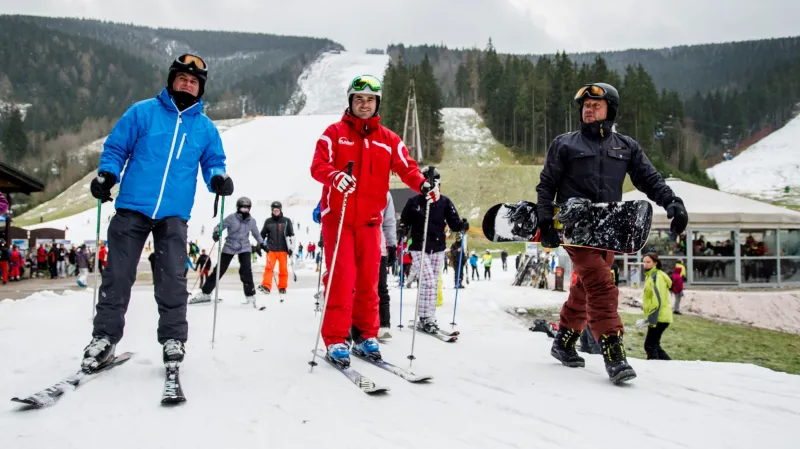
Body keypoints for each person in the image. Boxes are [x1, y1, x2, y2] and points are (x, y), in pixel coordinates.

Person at [81, 53, 234, 374]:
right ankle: (103, 338)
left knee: (172, 279)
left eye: (193, 81)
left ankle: (173, 340)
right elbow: (116, 148)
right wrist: (108, 174)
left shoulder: (205, 128)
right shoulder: (143, 112)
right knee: (118, 275)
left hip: (174, 215)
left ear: (200, 88)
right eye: (182, 78)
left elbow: (213, 161)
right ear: (171, 80)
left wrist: (217, 178)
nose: (187, 84)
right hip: (132, 208)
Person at [536, 82, 688, 384]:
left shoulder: (626, 146)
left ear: (610, 110)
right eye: (585, 106)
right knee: (602, 285)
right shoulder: (565, 144)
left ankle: (564, 342)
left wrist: (672, 201)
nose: (589, 110)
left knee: (586, 286)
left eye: (596, 105)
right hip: (575, 227)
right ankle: (613, 351)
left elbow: (649, 178)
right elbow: (547, 184)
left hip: (609, 227)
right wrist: (544, 222)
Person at [310, 74, 435, 366]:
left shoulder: (388, 140)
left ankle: (366, 335)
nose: (363, 105)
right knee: (342, 279)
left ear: (377, 103)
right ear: (351, 102)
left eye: (369, 100)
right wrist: (335, 176)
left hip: (369, 222)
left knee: (369, 281)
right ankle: (336, 339)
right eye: (358, 99)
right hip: (338, 220)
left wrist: (424, 185)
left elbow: (408, 169)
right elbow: (318, 166)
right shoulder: (334, 133)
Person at [399, 166, 467, 334]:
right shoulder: (414, 202)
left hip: (437, 248)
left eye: (437, 185)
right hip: (419, 247)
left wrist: (462, 225)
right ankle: (424, 317)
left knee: (433, 283)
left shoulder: (444, 202)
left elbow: (454, 223)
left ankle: (429, 316)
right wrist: (402, 229)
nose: (435, 189)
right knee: (428, 281)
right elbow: (404, 221)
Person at [191, 197, 265, 305]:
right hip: (230, 245)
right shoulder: (231, 218)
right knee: (219, 270)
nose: (245, 211)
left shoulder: (252, 221)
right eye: (242, 208)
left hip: (244, 247)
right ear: (238, 208)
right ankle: (206, 293)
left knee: (246, 271)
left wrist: (262, 243)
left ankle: (250, 295)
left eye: (247, 208)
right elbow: (220, 226)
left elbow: (256, 234)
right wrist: (216, 233)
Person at [640, 253, 673, 360]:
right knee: (654, 345)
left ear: (655, 263)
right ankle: (672, 366)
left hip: (659, 316)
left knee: (650, 345)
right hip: (659, 315)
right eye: (644, 262)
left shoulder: (656, 277)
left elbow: (657, 299)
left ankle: (653, 370)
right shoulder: (651, 276)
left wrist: (651, 319)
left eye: (648, 262)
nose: (645, 264)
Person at [259, 201, 294, 294]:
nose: (276, 212)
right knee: (268, 268)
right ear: (272, 210)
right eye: (274, 210)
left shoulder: (286, 221)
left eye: (277, 210)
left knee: (283, 269)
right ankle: (266, 286)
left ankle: (282, 287)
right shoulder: (268, 221)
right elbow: (262, 234)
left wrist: (291, 248)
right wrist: (261, 244)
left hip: (283, 249)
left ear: (280, 210)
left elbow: (291, 235)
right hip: (271, 249)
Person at [377, 192, 397, 340]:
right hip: (354, 246)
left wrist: (392, 245)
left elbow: (389, 222)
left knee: (380, 287)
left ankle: (384, 324)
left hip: (379, 247)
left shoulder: (385, 193)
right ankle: (355, 324)